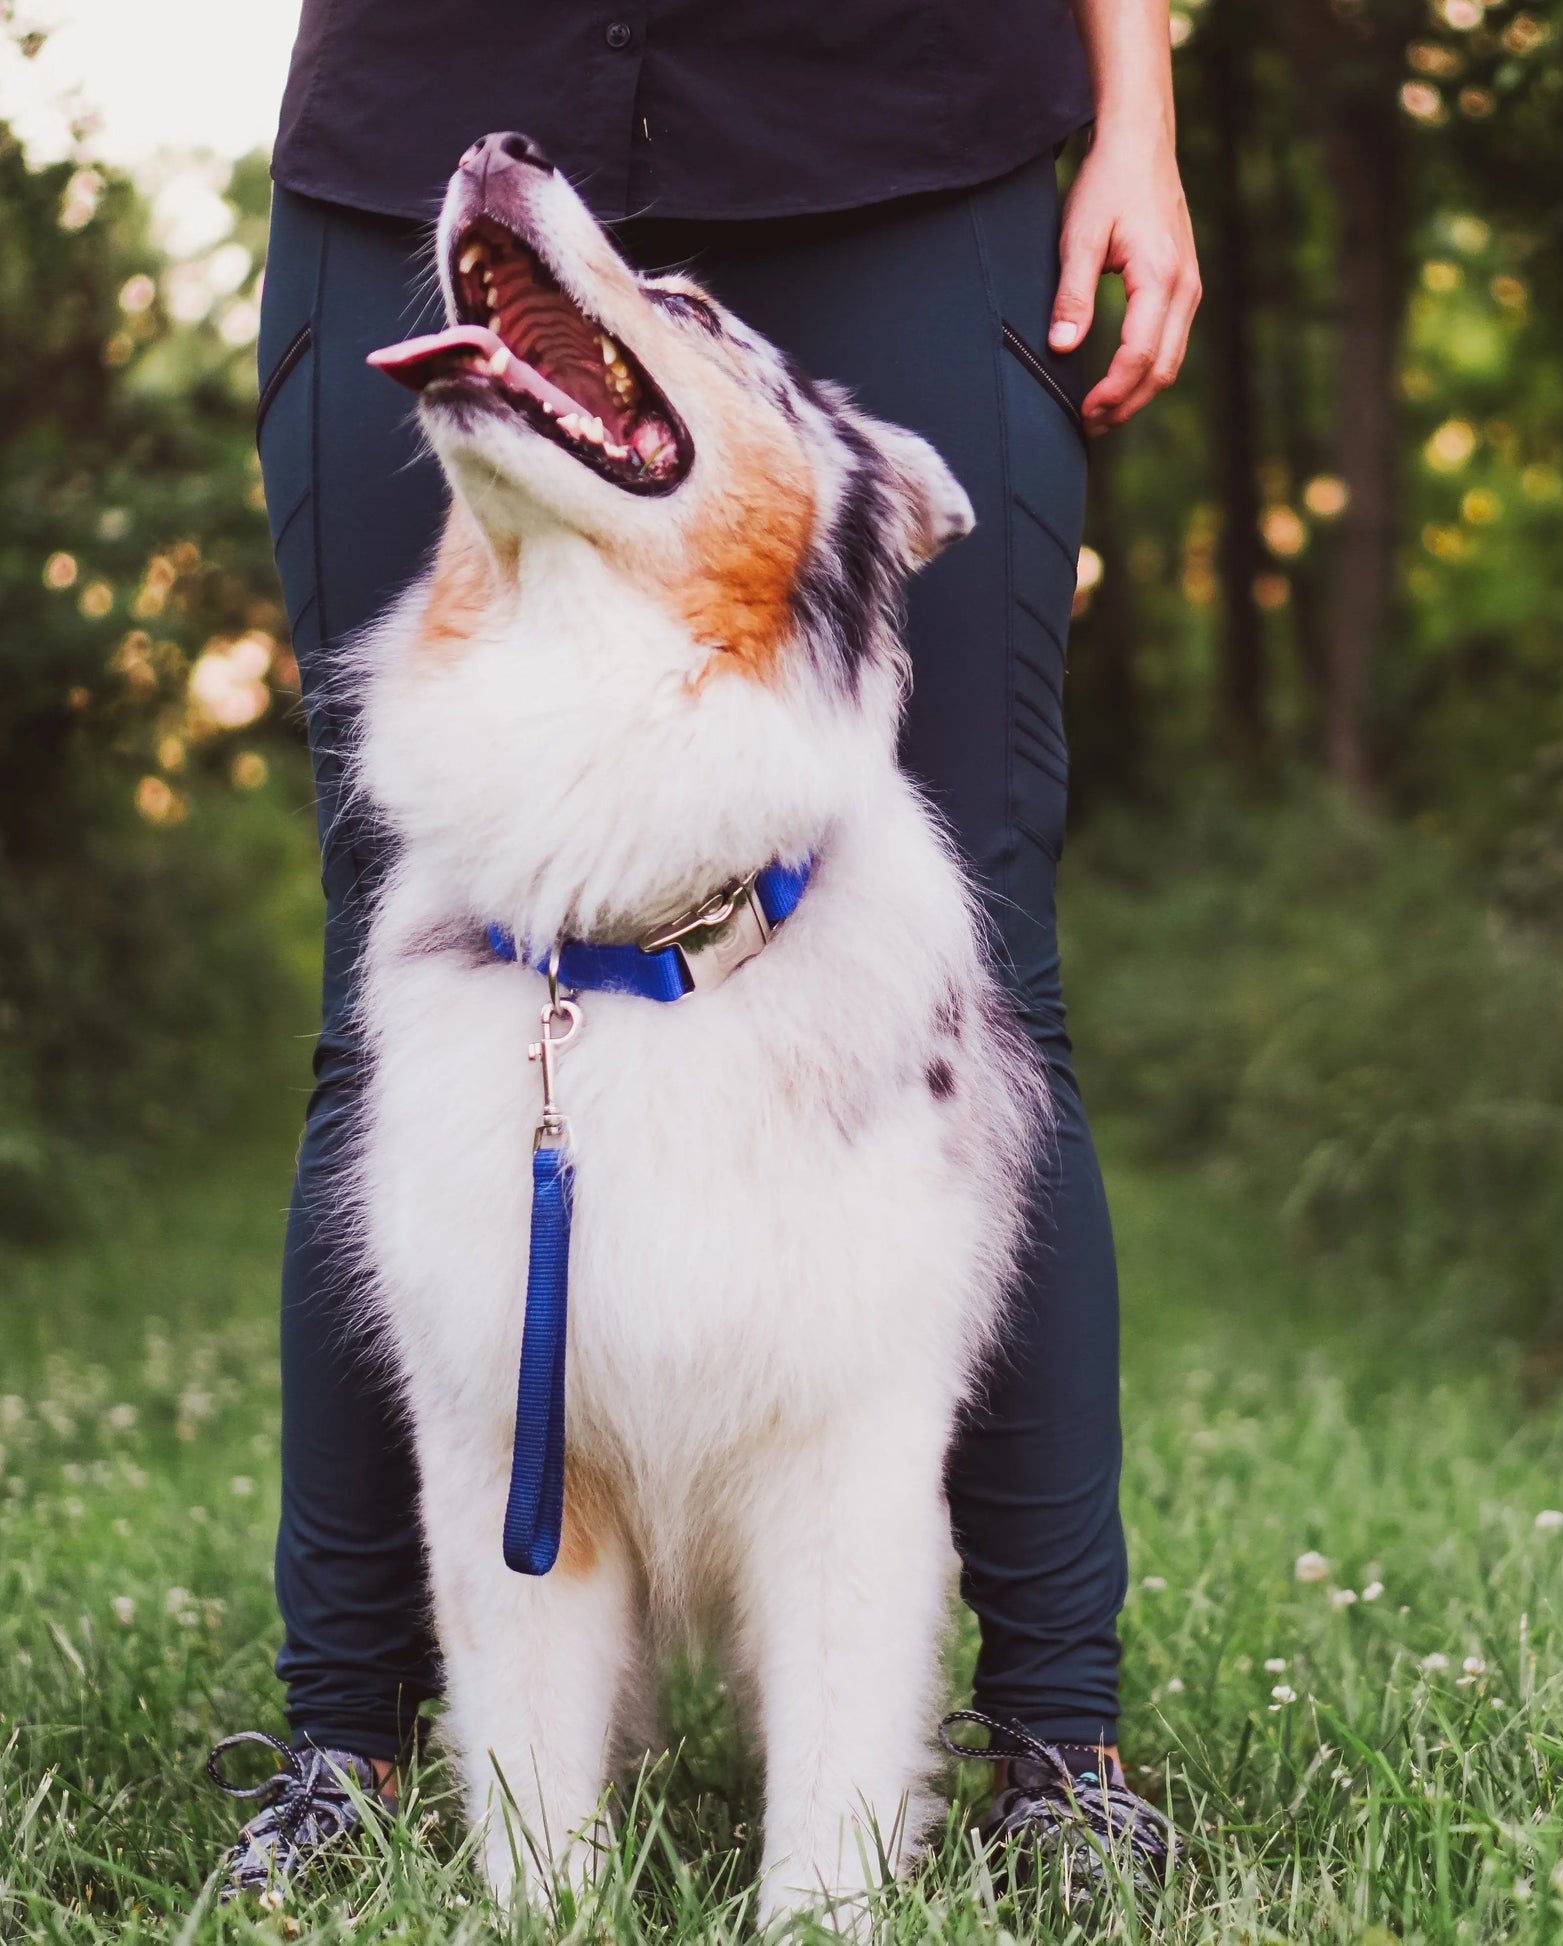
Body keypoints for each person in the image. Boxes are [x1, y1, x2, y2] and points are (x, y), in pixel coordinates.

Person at [209, 0, 1200, 1904]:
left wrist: (1137, 109)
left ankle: (1058, 1745)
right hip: (431, 89)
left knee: (988, 971)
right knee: (400, 959)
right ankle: (346, 1741)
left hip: (904, 112)